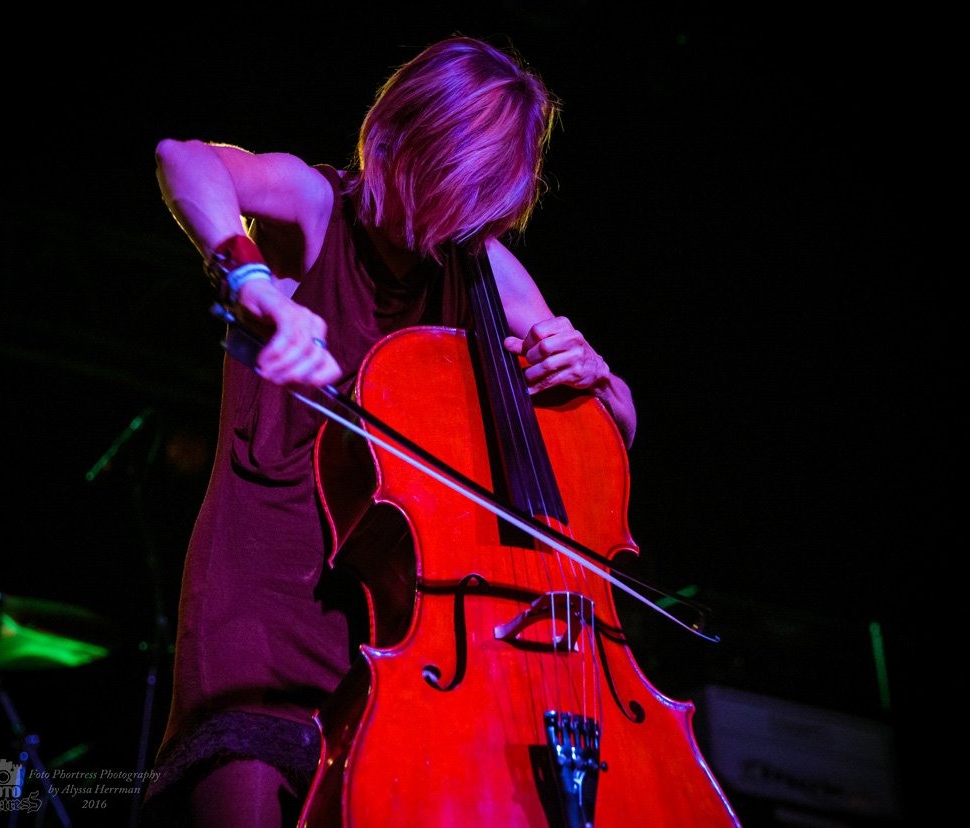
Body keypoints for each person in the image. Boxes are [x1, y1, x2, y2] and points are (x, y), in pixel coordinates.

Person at [142, 36, 636, 827]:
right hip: (264, 597)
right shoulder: (314, 203)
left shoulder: (481, 265)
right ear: (397, 139)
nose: (451, 222)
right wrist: (248, 275)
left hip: (409, 631)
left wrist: (590, 373)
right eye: (442, 186)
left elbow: (615, 429)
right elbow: (185, 159)